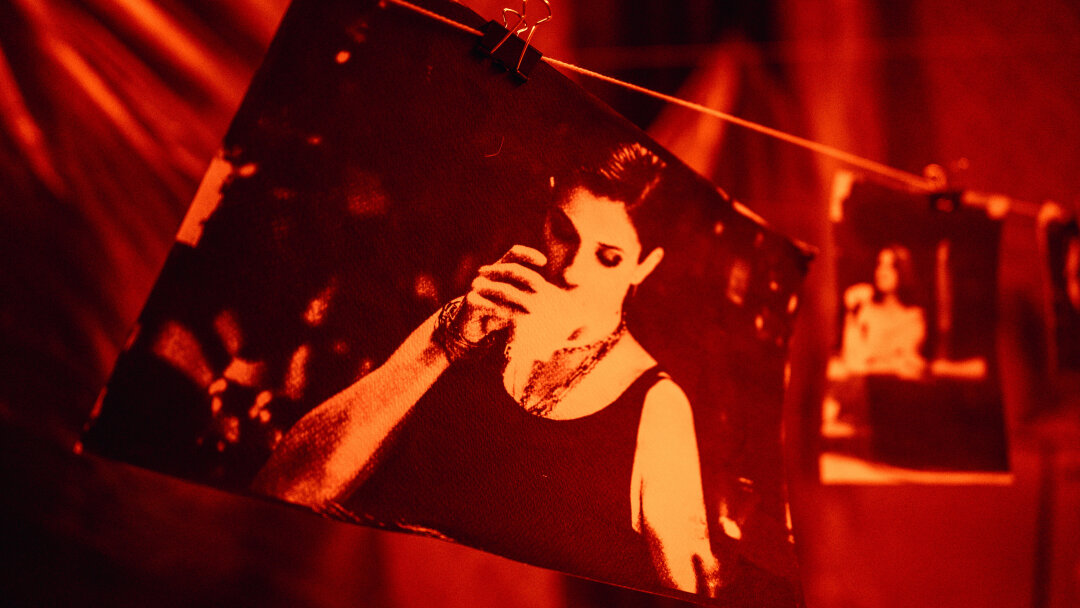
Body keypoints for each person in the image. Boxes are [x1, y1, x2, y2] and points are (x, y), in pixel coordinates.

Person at [252, 143, 722, 595]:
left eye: (608, 257)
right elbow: (285, 485)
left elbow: (689, 585)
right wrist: (442, 346)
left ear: (645, 265)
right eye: (563, 231)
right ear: (546, 211)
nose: (572, 271)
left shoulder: (658, 405)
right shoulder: (470, 322)